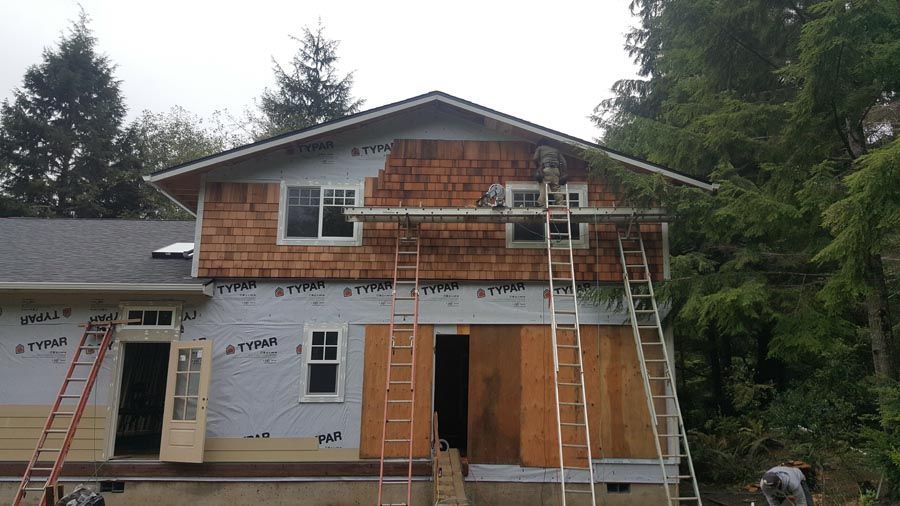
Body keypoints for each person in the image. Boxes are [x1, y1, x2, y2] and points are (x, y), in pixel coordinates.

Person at [532, 140, 568, 206]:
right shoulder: (556, 150)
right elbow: (564, 162)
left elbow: (535, 158)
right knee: (556, 187)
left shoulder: (540, 148)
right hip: (556, 170)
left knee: (543, 185)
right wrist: (564, 173)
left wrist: (539, 167)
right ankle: (560, 203)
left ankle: (541, 203)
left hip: (546, 169)